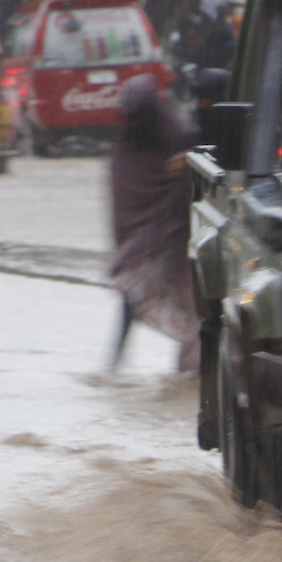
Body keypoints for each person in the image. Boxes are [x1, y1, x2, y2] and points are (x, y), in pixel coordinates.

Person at [107, 76, 199, 372]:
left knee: (187, 300)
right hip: (140, 239)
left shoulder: (178, 136)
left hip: (173, 231)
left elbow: (200, 174)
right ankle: (115, 362)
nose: (134, 123)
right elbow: (122, 198)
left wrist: (189, 163)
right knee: (130, 292)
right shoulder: (126, 144)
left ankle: (189, 367)